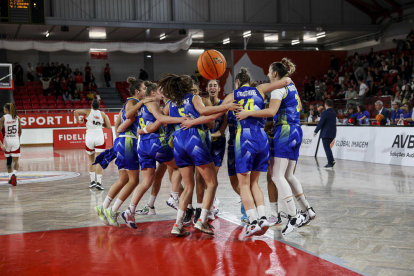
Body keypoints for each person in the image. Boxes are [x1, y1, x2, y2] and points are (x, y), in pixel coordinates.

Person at [236, 59, 315, 237]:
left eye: (268, 71)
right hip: (296, 130)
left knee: (277, 176)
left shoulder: (278, 89)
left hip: (285, 132)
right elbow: (299, 107)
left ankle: (293, 217)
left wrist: (248, 113)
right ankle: (308, 210)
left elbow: (271, 112)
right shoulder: (292, 87)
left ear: (274, 74)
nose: (266, 74)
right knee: (289, 175)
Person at [159, 73, 240, 236]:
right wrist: (225, 107)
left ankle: (177, 224)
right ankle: (202, 221)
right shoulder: (193, 97)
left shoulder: (171, 103)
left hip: (177, 141)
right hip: (193, 138)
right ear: (189, 86)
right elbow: (205, 111)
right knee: (212, 183)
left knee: (188, 186)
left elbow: (163, 120)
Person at [118, 82, 184, 229]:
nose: (162, 95)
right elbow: (161, 119)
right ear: (153, 93)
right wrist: (182, 119)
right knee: (180, 165)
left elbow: (129, 115)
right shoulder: (152, 104)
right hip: (156, 143)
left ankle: (130, 210)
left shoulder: (140, 105)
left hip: (143, 147)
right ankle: (174, 197)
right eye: (160, 92)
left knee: (147, 181)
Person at [93, 77, 152, 227]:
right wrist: (141, 103)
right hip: (128, 141)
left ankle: (103, 207)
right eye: (144, 88)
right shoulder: (132, 102)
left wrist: (118, 137)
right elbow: (126, 118)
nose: (146, 91)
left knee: (123, 179)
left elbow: (116, 124)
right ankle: (113, 210)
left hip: (122, 141)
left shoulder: (127, 103)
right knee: (134, 181)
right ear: (137, 91)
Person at [74, 100, 112, 190]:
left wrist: (79, 120)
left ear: (91, 105)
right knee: (99, 160)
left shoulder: (87, 112)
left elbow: (76, 111)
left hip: (89, 137)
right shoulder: (103, 114)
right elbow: (109, 126)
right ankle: (99, 182)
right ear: (99, 106)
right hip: (99, 136)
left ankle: (92, 182)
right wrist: (101, 125)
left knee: (91, 160)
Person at [0, 103, 22, 186]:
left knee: (9, 161)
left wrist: (1, 144)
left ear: (6, 110)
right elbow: (20, 132)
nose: (3, 110)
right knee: (16, 161)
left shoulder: (3, 118)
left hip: (7, 141)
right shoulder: (18, 118)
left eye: (4, 109)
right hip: (15, 140)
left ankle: (10, 178)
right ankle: (14, 175)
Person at [314, 99, 337, 170]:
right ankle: (331, 160)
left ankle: (330, 162)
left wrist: (315, 131)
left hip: (325, 133)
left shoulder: (324, 113)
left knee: (327, 148)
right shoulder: (334, 112)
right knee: (328, 148)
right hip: (333, 133)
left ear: (325, 105)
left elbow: (321, 123)